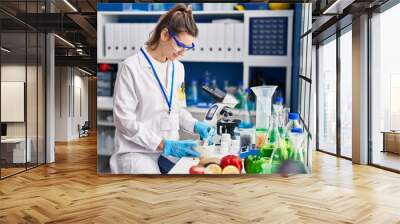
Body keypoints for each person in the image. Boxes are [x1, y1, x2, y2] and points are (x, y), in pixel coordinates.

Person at [109, 4, 215, 174]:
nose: (183, 53)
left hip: (168, 153)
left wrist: (195, 125)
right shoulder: (131, 67)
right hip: (137, 153)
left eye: (188, 47)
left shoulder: (178, 68)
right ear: (165, 34)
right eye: (181, 45)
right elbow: (124, 121)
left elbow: (176, 109)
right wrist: (164, 145)